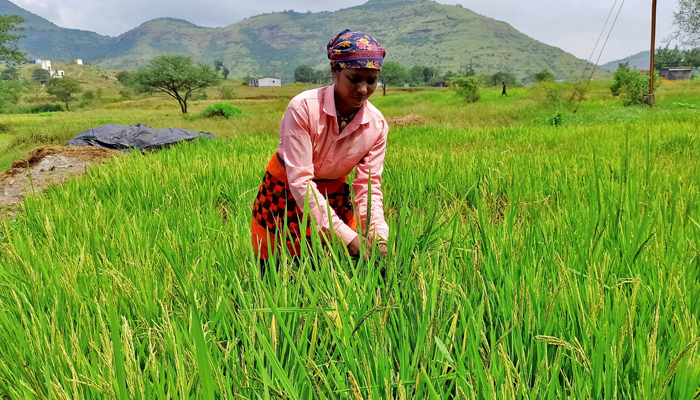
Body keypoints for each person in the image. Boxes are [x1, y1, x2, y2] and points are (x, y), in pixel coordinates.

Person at [251, 29, 390, 265]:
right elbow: (300, 181)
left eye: (371, 80)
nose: (363, 89)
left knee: (330, 268)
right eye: (354, 79)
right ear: (334, 71)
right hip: (284, 193)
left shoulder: (376, 125)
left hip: (333, 195)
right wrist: (346, 236)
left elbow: (368, 186)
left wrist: (378, 236)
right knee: (276, 267)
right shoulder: (303, 108)